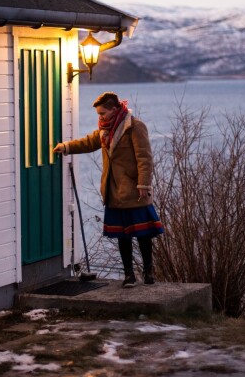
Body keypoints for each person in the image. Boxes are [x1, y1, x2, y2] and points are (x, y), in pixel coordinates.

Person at [53, 92, 164, 288]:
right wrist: (66, 147)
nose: (100, 117)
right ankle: (128, 276)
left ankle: (149, 272)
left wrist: (144, 185)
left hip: (134, 190)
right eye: (98, 114)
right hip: (113, 191)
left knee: (144, 234)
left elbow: (144, 158)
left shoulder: (134, 127)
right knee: (123, 235)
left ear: (114, 109)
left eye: (103, 113)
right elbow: (88, 142)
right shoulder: (104, 130)